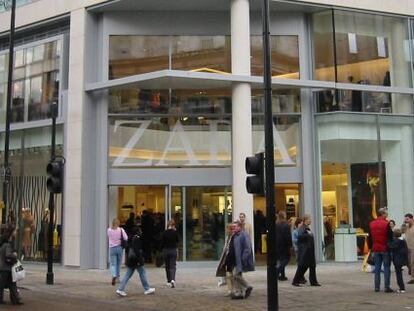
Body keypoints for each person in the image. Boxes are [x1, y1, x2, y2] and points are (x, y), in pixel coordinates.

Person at [116, 226, 155, 297]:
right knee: (142, 273)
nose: (141, 231)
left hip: (131, 260)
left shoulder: (131, 238)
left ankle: (120, 289)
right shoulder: (136, 239)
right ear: (137, 231)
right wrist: (140, 260)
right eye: (140, 230)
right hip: (136, 260)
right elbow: (137, 251)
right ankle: (147, 288)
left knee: (127, 275)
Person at [368, 208, 393, 292]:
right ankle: (386, 287)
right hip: (385, 248)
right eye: (386, 213)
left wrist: (371, 248)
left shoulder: (372, 223)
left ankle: (377, 287)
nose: (387, 215)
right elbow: (390, 237)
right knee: (386, 268)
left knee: (377, 268)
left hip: (376, 248)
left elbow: (370, 238)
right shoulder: (386, 224)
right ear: (383, 214)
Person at [292, 215, 321, 287]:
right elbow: (300, 236)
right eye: (309, 219)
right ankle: (295, 280)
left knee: (312, 266)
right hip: (306, 251)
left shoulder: (307, 228)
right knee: (302, 267)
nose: (310, 220)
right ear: (305, 220)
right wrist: (308, 235)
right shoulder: (303, 228)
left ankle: (313, 281)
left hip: (309, 251)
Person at [228, 220, 254, 299]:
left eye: (235, 227)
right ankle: (239, 293)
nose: (233, 228)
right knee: (236, 276)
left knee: (236, 275)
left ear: (239, 227)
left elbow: (247, 248)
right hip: (235, 259)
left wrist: (243, 258)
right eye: (233, 227)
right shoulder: (235, 235)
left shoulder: (243, 235)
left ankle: (247, 286)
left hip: (240, 260)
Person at [0, 224, 22, 305]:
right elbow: (8, 254)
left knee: (12, 284)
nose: (16, 233)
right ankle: (14, 299)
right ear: (11, 232)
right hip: (5, 267)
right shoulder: (8, 244)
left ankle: (15, 299)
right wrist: (15, 255)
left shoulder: (7, 242)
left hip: (7, 267)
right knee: (7, 284)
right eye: (15, 231)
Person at [216, 223, 235, 295]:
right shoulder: (228, 237)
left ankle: (233, 289)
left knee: (232, 275)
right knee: (228, 274)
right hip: (227, 258)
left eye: (227, 229)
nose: (226, 231)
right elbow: (225, 248)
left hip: (232, 258)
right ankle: (230, 290)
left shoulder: (234, 237)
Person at [107, 218, 128, 286]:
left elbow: (109, 236)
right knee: (118, 264)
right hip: (119, 248)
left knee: (113, 264)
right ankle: (118, 278)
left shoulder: (109, 230)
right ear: (118, 223)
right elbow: (126, 238)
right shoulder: (121, 230)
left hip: (112, 248)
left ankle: (114, 275)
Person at [388, 229, 408, 293]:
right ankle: (402, 288)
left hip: (397, 259)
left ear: (394, 235)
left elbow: (390, 246)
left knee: (398, 274)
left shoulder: (396, 241)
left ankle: (402, 288)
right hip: (402, 259)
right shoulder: (403, 241)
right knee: (399, 273)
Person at [161, 219, 179, 288]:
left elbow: (162, 242)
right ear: (173, 225)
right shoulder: (175, 232)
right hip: (173, 250)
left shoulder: (164, 233)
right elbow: (178, 240)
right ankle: (172, 279)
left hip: (166, 250)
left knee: (167, 266)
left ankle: (168, 280)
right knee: (173, 265)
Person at [276, 211, 292, 281]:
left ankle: (282, 276)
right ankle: (277, 271)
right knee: (286, 259)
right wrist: (290, 245)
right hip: (284, 244)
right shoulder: (286, 225)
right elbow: (288, 236)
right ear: (284, 216)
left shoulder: (276, 224)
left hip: (278, 245)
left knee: (281, 259)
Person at [404, 213, 414, 284]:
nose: (406, 220)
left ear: (411, 218)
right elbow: (400, 231)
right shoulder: (406, 227)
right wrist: (404, 225)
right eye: (405, 219)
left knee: (412, 263)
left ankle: (412, 278)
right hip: (407, 247)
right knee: (409, 263)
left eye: (407, 219)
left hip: (413, 247)